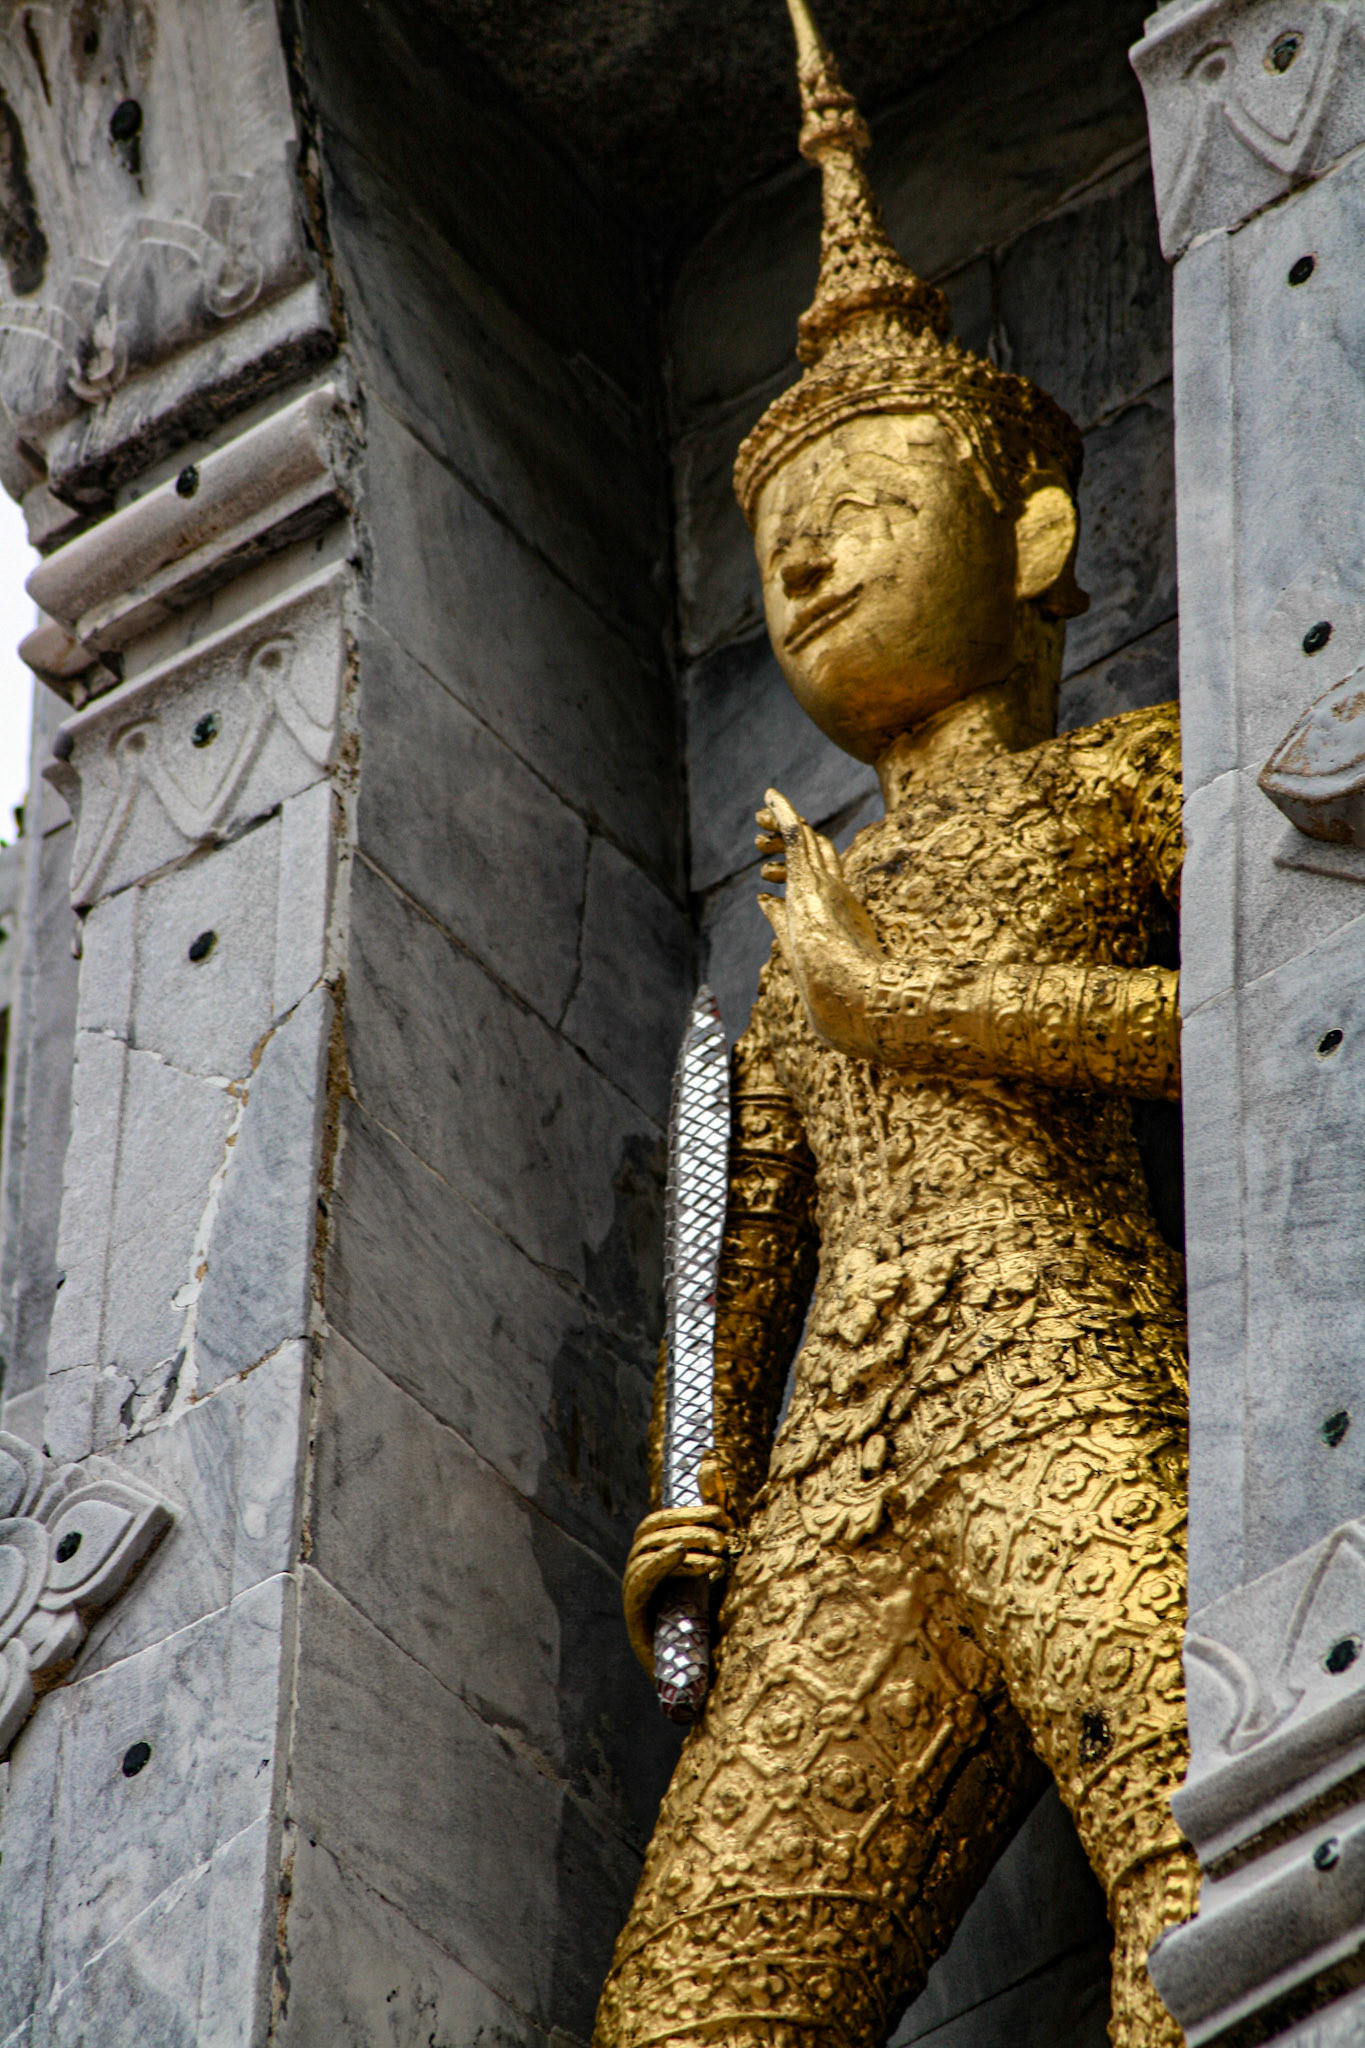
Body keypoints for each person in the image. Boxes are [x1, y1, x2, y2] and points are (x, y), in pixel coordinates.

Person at [595, 6, 1194, 2043]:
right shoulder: (786, 917)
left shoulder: (1126, 781)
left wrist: (907, 997)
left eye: (860, 493)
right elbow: (730, 1218)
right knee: (685, 2015)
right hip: (841, 1467)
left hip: (1059, 1377)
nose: (807, 547)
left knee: (1203, 1868)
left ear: (1029, 538)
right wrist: (690, 1484)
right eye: (779, 538)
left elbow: (1267, 1034)